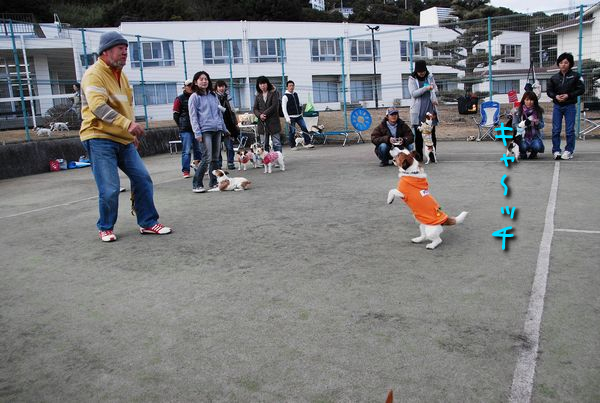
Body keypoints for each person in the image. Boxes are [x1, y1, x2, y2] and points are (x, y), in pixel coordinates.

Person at [79, 31, 172, 242]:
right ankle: (105, 227)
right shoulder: (94, 74)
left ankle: (148, 222)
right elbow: (97, 107)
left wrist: (130, 134)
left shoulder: (122, 76)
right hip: (99, 137)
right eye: (120, 48)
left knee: (142, 179)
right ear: (105, 51)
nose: (125, 53)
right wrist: (127, 124)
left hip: (122, 139)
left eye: (126, 49)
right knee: (110, 187)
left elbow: (127, 108)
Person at [188, 71, 227, 193]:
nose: (204, 81)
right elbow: (193, 116)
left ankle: (213, 182)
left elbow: (219, 113)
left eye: (206, 79)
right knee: (206, 158)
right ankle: (197, 184)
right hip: (205, 131)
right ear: (196, 82)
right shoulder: (194, 97)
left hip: (217, 129)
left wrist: (224, 128)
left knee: (215, 158)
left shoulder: (213, 95)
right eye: (201, 79)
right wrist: (197, 133)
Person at [546, 52, 585, 160]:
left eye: (566, 62)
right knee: (556, 129)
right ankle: (556, 150)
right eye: (561, 62)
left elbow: (581, 89)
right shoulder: (553, 78)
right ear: (558, 64)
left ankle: (569, 150)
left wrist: (569, 95)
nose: (563, 65)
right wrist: (555, 96)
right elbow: (549, 91)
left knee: (569, 130)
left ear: (570, 64)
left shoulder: (576, 76)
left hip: (570, 106)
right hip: (557, 106)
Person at [408, 59, 439, 162]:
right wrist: (426, 88)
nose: (422, 74)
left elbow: (435, 89)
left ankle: (432, 156)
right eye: (420, 72)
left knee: (431, 134)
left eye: (423, 72)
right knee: (419, 136)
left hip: (430, 110)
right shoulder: (412, 79)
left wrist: (434, 97)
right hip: (418, 112)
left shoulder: (430, 77)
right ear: (416, 71)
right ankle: (419, 156)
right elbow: (414, 94)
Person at [173, 79, 202, 178]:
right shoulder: (179, 99)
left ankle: (199, 168)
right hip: (185, 129)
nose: (190, 87)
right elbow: (175, 115)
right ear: (185, 87)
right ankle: (186, 170)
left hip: (196, 127)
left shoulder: (197, 97)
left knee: (198, 149)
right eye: (188, 85)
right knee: (186, 150)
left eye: (192, 85)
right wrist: (181, 125)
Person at [511, 91, 545, 159]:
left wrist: (537, 123)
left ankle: (534, 153)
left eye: (531, 100)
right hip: (522, 137)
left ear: (535, 101)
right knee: (523, 147)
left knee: (537, 146)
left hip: (535, 136)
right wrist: (523, 124)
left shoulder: (538, 111)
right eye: (527, 100)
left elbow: (542, 125)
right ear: (524, 100)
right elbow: (514, 125)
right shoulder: (518, 112)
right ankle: (522, 153)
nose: (529, 102)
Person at [282, 80, 314, 150]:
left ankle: (307, 143)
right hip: (291, 117)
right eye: (290, 86)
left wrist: (301, 110)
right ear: (287, 87)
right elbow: (284, 109)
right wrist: (287, 118)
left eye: (292, 85)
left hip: (299, 116)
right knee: (292, 132)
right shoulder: (285, 97)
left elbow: (298, 103)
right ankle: (293, 146)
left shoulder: (295, 94)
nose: (291, 87)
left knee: (304, 128)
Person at [214, 80, 239, 170]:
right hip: (217, 124)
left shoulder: (228, 96)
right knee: (217, 147)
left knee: (229, 145)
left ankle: (230, 162)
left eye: (223, 86)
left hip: (228, 123)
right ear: (216, 87)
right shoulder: (213, 97)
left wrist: (235, 123)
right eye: (219, 86)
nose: (221, 88)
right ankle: (219, 164)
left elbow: (232, 111)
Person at [253, 76, 282, 152]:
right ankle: (266, 161)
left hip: (273, 122)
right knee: (263, 144)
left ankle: (278, 160)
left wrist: (264, 114)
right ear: (258, 85)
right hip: (262, 123)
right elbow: (255, 108)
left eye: (264, 83)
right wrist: (260, 115)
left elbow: (274, 105)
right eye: (260, 84)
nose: (262, 86)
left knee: (276, 143)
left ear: (267, 84)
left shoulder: (273, 92)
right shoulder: (258, 95)